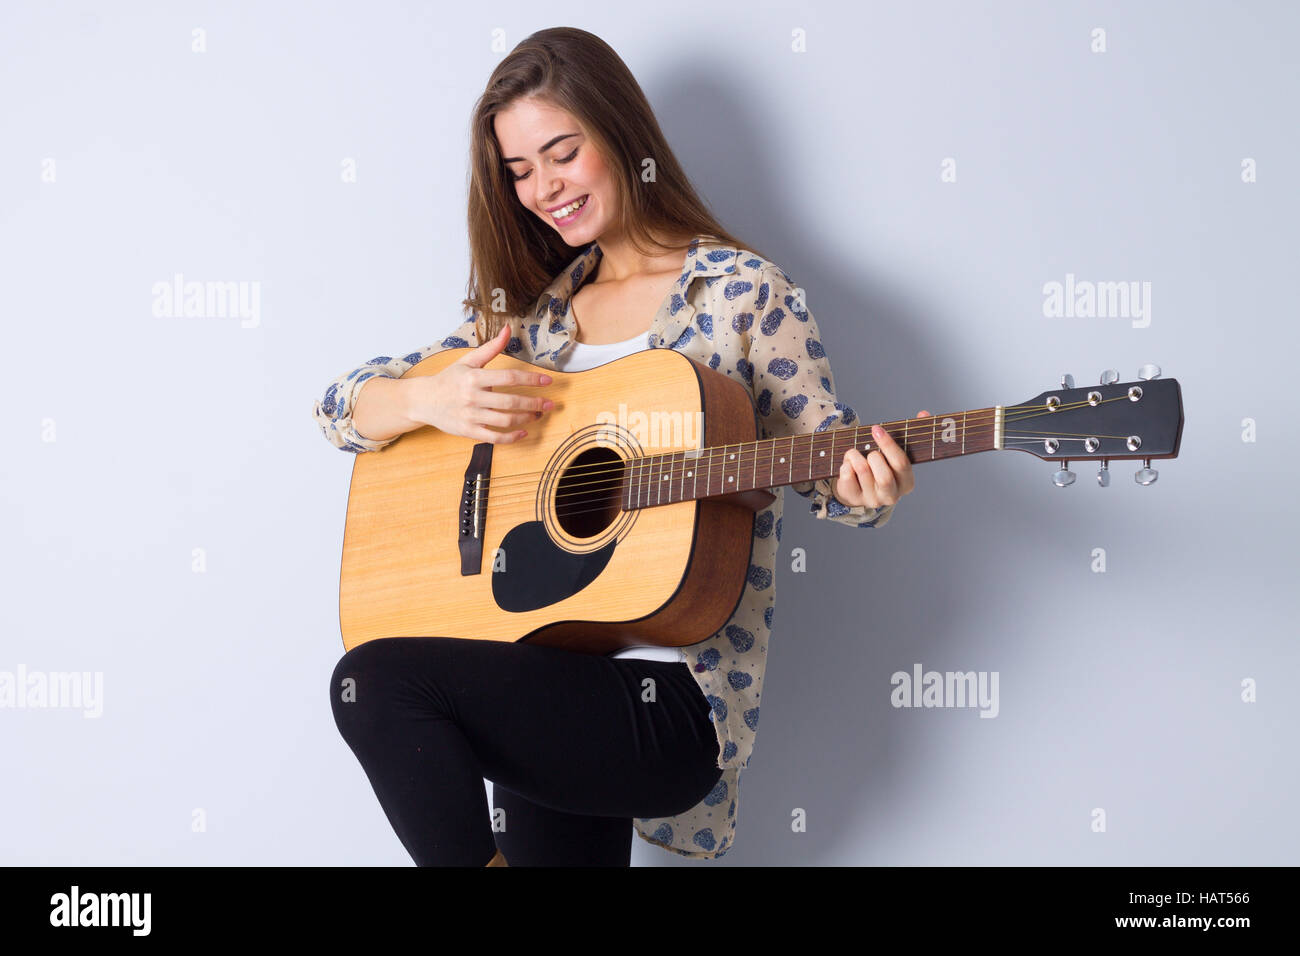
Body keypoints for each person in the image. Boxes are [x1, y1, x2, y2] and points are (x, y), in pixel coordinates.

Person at [312, 26, 925, 866]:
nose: (542, 188)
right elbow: (339, 408)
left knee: (376, 684)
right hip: (546, 657)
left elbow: (826, 468)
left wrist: (865, 492)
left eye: (561, 152)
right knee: (375, 679)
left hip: (668, 701)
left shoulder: (742, 294)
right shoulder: (534, 319)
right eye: (519, 171)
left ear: (622, 133)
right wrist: (434, 396)